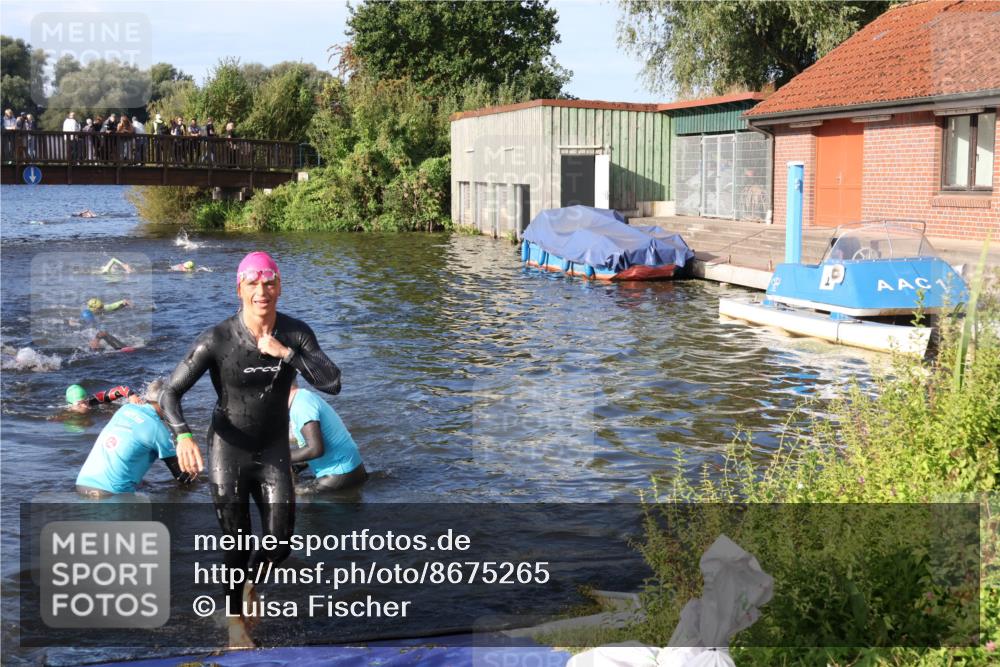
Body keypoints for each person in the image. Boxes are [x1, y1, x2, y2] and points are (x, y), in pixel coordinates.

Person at [160, 251, 342, 647]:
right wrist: (183, 435)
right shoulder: (217, 339)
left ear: (279, 286)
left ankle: (247, 587)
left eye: (270, 282)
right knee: (237, 541)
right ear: (239, 289)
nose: (262, 291)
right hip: (229, 450)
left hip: (273, 449)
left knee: (280, 543)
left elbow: (332, 382)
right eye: (253, 284)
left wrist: (285, 354)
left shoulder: (295, 333)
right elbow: (170, 392)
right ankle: (234, 621)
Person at [76, 379, 194, 497]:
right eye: (174, 402)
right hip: (111, 493)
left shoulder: (125, 409)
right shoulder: (158, 429)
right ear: (165, 402)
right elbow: (182, 477)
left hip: (82, 484)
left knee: (143, 483)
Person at [288, 380, 366, 494]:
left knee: (292, 495)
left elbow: (315, 450)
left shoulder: (301, 407)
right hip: (350, 470)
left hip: (340, 475)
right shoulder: (302, 397)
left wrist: (280, 458)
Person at [65, 383, 136, 413]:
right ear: (70, 404)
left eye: (85, 401)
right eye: (79, 404)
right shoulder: (65, 415)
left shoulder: (95, 400)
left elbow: (121, 389)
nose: (85, 406)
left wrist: (131, 396)